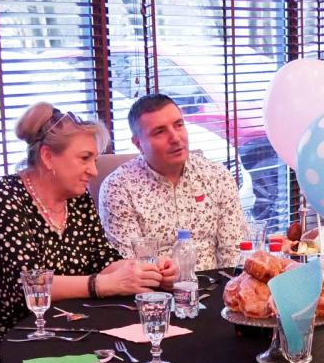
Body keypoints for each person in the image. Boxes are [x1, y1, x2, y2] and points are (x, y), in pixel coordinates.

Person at [0, 102, 173, 363]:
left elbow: (102, 259)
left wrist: (144, 271)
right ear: (48, 157)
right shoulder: (4, 199)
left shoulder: (77, 199)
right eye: (84, 158)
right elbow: (27, 285)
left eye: (94, 160)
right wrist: (103, 285)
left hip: (62, 325)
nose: (93, 171)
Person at [99, 93, 247, 271]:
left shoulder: (217, 176)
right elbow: (129, 268)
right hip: (153, 286)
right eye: (160, 132)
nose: (176, 138)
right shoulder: (118, 188)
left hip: (216, 283)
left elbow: (234, 254)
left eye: (178, 125)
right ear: (138, 144)